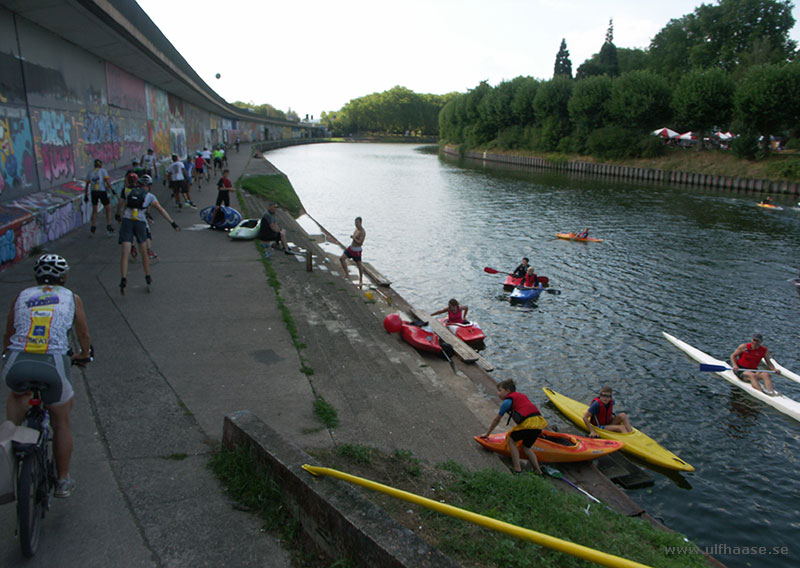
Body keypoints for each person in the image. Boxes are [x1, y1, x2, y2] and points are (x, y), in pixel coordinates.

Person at [2, 254, 92, 498]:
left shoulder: (21, 296)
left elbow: (9, 335)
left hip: (17, 360)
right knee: (60, 420)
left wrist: (7, 354)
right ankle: (62, 481)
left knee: (18, 396)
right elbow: (82, 333)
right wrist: (84, 354)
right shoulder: (71, 298)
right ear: (63, 277)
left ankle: (9, 459)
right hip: (53, 362)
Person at [117, 173, 180, 295]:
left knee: (125, 251)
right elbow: (161, 210)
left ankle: (123, 279)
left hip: (127, 221)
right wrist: (173, 223)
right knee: (144, 251)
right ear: (149, 186)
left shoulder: (130, 192)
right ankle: (147, 276)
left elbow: (124, 206)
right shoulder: (150, 196)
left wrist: (119, 217)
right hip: (140, 222)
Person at [481, 379, 546, 475]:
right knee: (526, 448)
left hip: (529, 425)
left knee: (511, 440)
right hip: (538, 424)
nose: (498, 393)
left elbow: (497, 420)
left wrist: (487, 434)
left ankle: (517, 469)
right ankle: (538, 471)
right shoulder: (521, 396)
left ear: (507, 391)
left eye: (500, 390)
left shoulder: (507, 402)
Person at [83, 158, 115, 237]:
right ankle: (108, 224)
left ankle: (93, 226)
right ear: (100, 165)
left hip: (93, 192)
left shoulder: (90, 172)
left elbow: (87, 185)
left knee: (94, 210)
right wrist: (112, 190)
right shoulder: (103, 171)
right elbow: (107, 182)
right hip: (102, 191)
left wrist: (86, 195)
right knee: (107, 208)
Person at [339, 216, 366, 288]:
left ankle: (361, 279)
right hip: (351, 248)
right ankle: (347, 274)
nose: (356, 224)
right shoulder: (356, 229)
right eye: (355, 223)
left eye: (357, 223)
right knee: (342, 258)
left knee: (359, 265)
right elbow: (354, 238)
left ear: (360, 223)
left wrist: (354, 238)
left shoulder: (362, 232)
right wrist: (353, 237)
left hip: (357, 250)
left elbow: (360, 242)